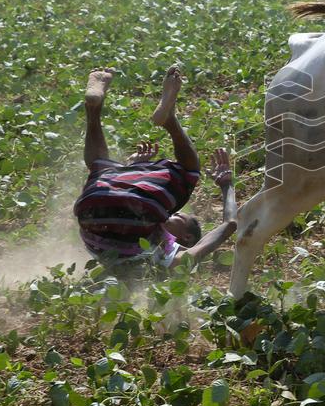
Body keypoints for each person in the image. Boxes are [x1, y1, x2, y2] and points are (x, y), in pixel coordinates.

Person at [74, 66, 237, 270]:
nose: (170, 214)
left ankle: (168, 120)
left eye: (179, 216)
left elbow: (230, 224)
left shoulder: (175, 255)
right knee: (100, 170)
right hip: (91, 211)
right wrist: (133, 169)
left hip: (95, 208)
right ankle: (93, 107)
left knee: (190, 172)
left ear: (186, 238)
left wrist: (227, 185)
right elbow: (124, 204)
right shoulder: (159, 256)